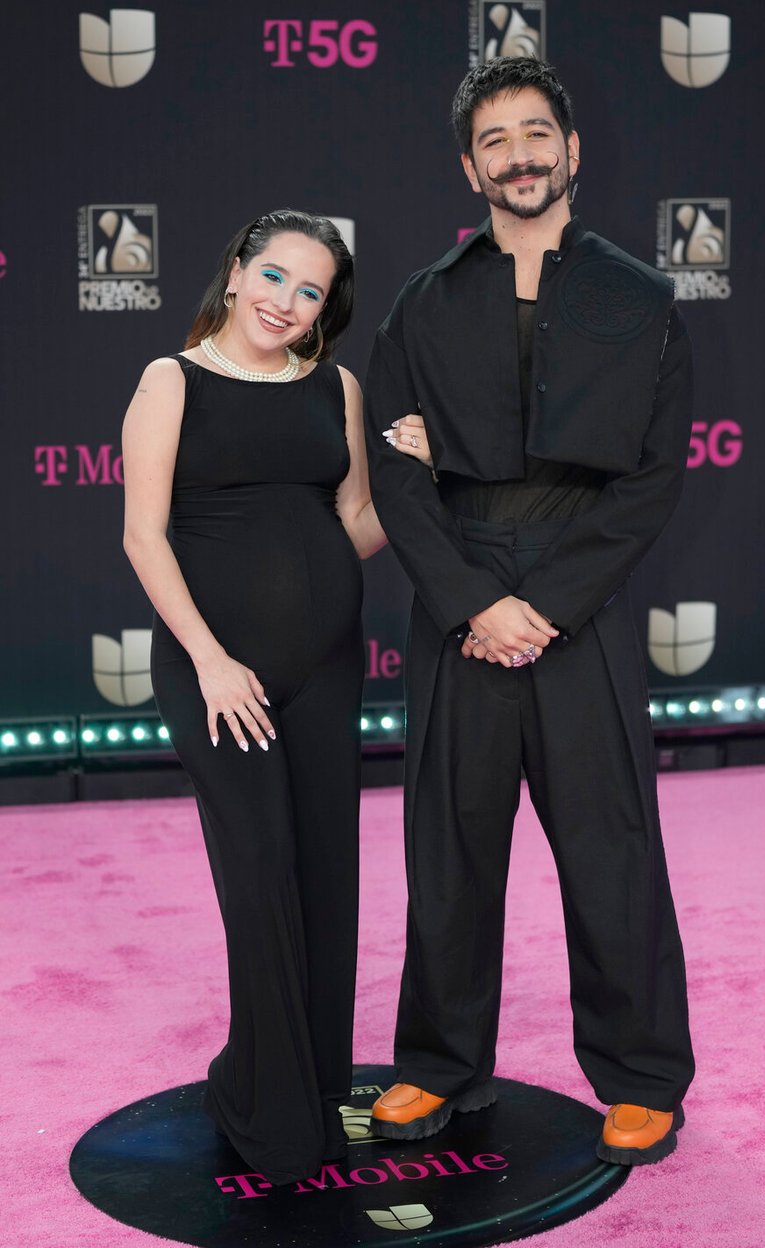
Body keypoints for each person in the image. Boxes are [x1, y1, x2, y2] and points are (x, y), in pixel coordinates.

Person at [363, 57, 696, 1167]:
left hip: (575, 595)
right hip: (458, 587)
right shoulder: (420, 303)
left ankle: (641, 1073)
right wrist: (471, 604)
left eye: (534, 132)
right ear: (470, 167)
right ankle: (438, 1064)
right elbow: (395, 476)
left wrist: (543, 604)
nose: (518, 153)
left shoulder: (639, 298)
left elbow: (649, 479)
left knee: (609, 848)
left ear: (570, 150)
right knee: (447, 849)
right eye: (495, 139)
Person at [122, 209, 394, 1185]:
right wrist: (207, 658)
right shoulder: (171, 380)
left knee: (325, 877)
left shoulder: (338, 387)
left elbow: (353, 518)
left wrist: (419, 483)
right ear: (236, 274)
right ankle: (266, 1112)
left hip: (328, 669)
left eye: (310, 290)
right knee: (261, 879)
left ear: (326, 307)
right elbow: (144, 536)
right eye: (273, 277)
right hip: (218, 675)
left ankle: (309, 1090)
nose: (286, 302)